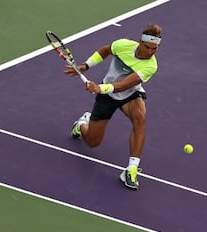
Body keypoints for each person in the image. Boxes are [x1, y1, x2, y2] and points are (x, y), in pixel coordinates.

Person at [64, 24, 162, 190]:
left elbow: (124, 85)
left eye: (155, 49)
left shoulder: (150, 66)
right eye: (148, 47)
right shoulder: (122, 45)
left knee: (140, 119)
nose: (151, 52)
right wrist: (86, 66)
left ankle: (131, 169)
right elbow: (105, 50)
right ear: (140, 42)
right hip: (107, 96)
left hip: (129, 94)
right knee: (93, 142)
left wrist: (99, 88)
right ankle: (81, 125)